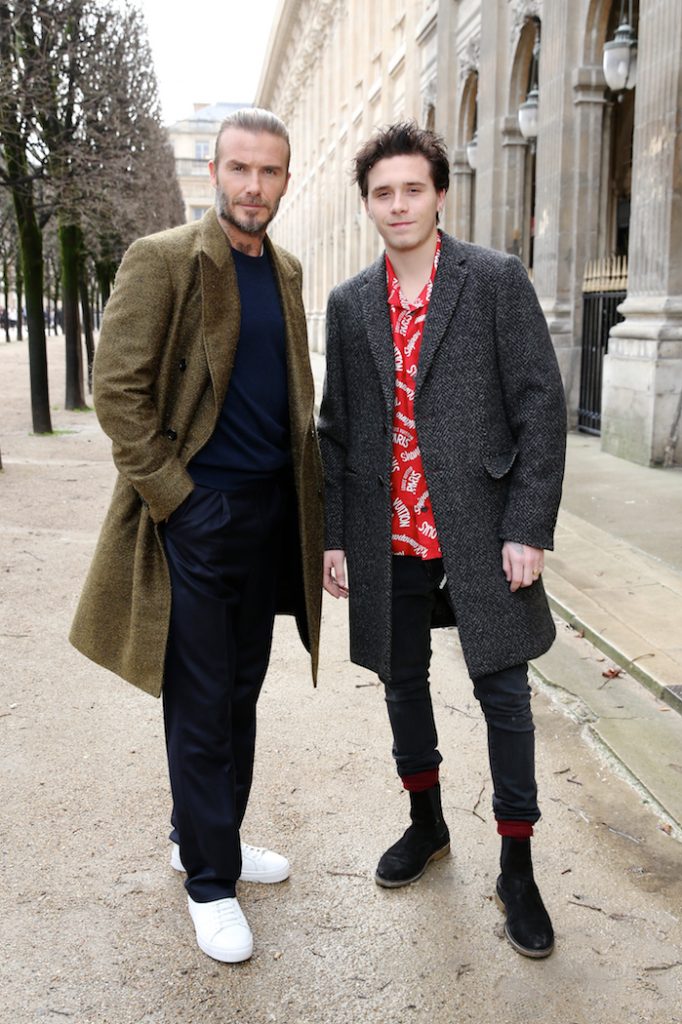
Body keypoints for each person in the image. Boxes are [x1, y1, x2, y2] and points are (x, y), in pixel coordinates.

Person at [70, 108, 324, 964]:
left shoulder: (286, 271)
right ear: (214, 172)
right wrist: (180, 502)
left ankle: (206, 838)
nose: (254, 186)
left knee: (240, 690)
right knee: (201, 701)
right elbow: (118, 392)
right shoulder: (163, 259)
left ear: (285, 179)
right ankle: (210, 885)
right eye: (240, 168)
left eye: (269, 171)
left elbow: (293, 402)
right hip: (197, 517)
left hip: (269, 516)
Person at [318, 122, 566, 959]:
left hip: (482, 528)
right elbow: (336, 427)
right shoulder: (349, 303)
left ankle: (516, 866)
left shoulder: (493, 280)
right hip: (385, 529)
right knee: (402, 681)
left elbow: (539, 405)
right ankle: (425, 822)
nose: (398, 205)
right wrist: (334, 536)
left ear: (439, 196)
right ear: (367, 204)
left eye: (411, 189)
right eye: (382, 193)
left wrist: (526, 524)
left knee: (504, 694)